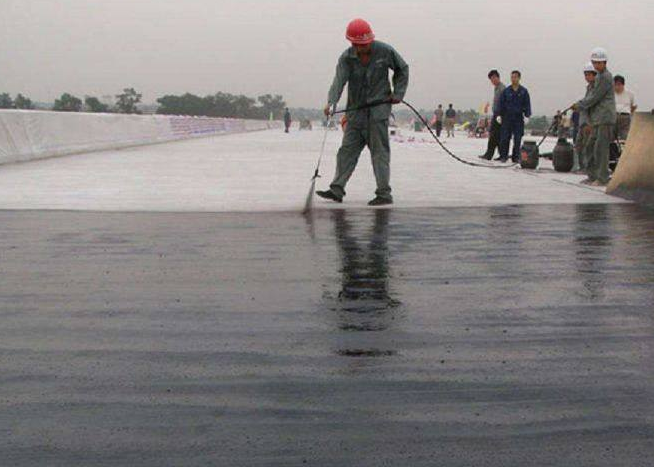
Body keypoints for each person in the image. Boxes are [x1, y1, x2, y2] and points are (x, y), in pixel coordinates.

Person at [316, 18, 409, 206]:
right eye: (358, 45)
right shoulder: (346, 58)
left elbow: (402, 69)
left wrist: (398, 93)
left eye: (366, 44)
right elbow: (339, 82)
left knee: (379, 153)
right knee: (346, 152)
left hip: (378, 112)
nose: (362, 48)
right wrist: (331, 103)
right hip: (355, 114)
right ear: (352, 43)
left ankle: (384, 193)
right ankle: (336, 189)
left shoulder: (385, 51)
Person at [574, 48, 616, 186]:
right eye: (594, 63)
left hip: (605, 118)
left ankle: (602, 177)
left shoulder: (605, 77)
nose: (596, 65)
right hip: (597, 119)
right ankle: (592, 176)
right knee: (590, 147)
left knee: (601, 148)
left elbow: (595, 97)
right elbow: (592, 97)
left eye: (599, 63)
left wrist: (580, 105)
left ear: (604, 63)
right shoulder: (599, 77)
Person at [497, 70, 532, 163]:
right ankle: (503, 156)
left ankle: (515, 157)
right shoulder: (506, 91)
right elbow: (501, 104)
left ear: (519, 78)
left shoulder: (524, 91)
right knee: (505, 138)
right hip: (507, 118)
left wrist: (527, 115)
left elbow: (527, 104)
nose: (513, 79)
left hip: (518, 118)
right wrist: (499, 115)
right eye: (512, 77)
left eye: (515, 77)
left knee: (517, 139)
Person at [573, 63, 597, 172]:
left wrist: (579, 105)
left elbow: (590, 103)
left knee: (588, 146)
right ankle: (582, 167)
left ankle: (589, 168)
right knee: (579, 145)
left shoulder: (597, 88)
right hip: (583, 122)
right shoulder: (589, 88)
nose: (587, 77)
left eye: (589, 75)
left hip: (590, 122)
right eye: (585, 75)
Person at [479, 70, 506, 160]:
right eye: (491, 79)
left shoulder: (502, 88)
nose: (493, 81)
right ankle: (501, 154)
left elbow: (504, 103)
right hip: (496, 114)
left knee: (494, 135)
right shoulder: (496, 88)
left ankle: (490, 154)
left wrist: (501, 115)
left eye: (494, 78)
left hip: (500, 115)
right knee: (496, 135)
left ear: (498, 77)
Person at [614, 75, 637, 140]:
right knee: (612, 137)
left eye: (619, 84)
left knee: (624, 137)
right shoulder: (610, 94)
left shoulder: (630, 93)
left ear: (623, 85)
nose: (617, 87)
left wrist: (629, 113)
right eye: (615, 85)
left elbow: (634, 106)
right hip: (613, 117)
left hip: (625, 117)